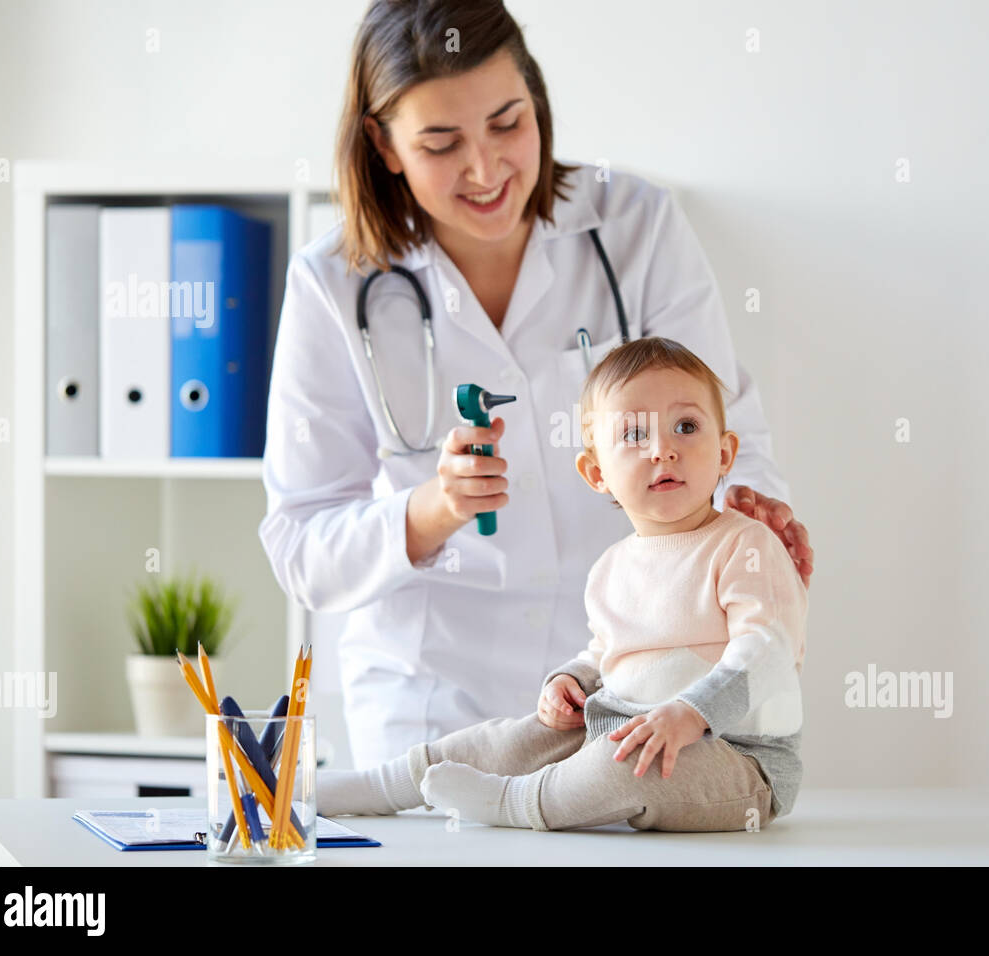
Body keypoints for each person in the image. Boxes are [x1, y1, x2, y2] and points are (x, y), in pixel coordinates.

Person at [258, 0, 813, 770]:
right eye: (441, 143)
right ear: (384, 144)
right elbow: (301, 549)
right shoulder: (333, 284)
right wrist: (433, 508)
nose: (485, 170)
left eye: (508, 123)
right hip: (431, 699)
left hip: (630, 682)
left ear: (537, 98)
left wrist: (751, 513)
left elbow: (723, 427)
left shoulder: (635, 226)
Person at [318, 338, 808, 831]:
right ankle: (383, 785)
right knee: (513, 738)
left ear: (725, 453)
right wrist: (571, 681)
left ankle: (516, 803)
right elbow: (607, 654)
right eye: (635, 434)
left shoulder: (745, 545)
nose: (663, 449)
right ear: (597, 472)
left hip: (736, 759)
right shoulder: (613, 566)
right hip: (626, 722)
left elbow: (766, 651)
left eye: (686, 427)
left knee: (625, 768)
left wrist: (693, 713)